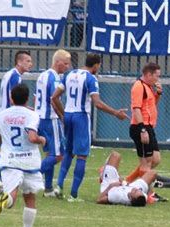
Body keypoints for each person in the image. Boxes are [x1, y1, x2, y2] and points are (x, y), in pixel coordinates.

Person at [50, 53, 128, 202]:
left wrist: (63, 114)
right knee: (81, 155)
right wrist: (115, 113)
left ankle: (58, 186)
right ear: (96, 65)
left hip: (69, 114)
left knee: (68, 152)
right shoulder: (91, 79)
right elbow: (97, 103)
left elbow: (54, 97)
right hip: (81, 117)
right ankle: (73, 195)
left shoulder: (69, 74)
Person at [0, 84, 46, 227]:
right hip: (29, 161)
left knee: (11, 197)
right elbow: (32, 137)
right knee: (29, 197)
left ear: (11, 98)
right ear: (27, 98)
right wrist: (42, 140)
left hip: (9, 160)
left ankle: (5, 200)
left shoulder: (2, 115)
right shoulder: (32, 115)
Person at [0, 50, 33, 194]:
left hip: (5, 116)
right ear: (19, 62)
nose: (30, 64)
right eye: (27, 61)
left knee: (4, 151)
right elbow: (13, 98)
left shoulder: (9, 74)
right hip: (10, 118)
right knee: (8, 151)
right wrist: (26, 110)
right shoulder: (16, 77)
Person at [126, 62, 167, 202]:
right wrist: (142, 129)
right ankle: (149, 194)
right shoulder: (138, 86)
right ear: (148, 75)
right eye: (157, 75)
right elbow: (136, 109)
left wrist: (159, 94)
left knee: (155, 160)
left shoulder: (149, 87)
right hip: (141, 127)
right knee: (146, 163)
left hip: (149, 127)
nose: (158, 79)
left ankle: (129, 180)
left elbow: (151, 105)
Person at [34, 49, 70, 197]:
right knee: (59, 155)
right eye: (66, 63)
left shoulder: (42, 75)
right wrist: (62, 116)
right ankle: (29, 176)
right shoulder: (55, 78)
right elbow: (54, 99)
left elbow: (37, 98)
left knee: (50, 153)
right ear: (58, 62)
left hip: (40, 117)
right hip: (50, 119)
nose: (67, 67)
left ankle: (48, 188)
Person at [68, 0, 85, 68]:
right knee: (73, 48)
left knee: (92, 48)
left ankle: (92, 69)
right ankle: (75, 69)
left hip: (90, 23)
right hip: (77, 23)